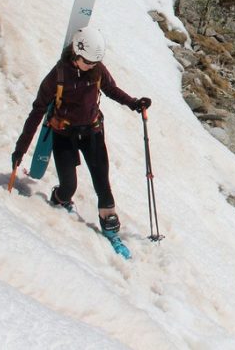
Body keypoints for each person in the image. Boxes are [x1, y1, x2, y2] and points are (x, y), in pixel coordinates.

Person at [12, 26, 151, 234]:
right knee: (68, 187)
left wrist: (134, 103)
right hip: (64, 135)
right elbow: (37, 111)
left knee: (102, 182)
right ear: (77, 52)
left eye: (95, 62)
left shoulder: (96, 69)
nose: (91, 66)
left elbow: (111, 89)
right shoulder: (58, 75)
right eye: (87, 62)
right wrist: (20, 149)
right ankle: (59, 198)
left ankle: (109, 221)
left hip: (92, 132)